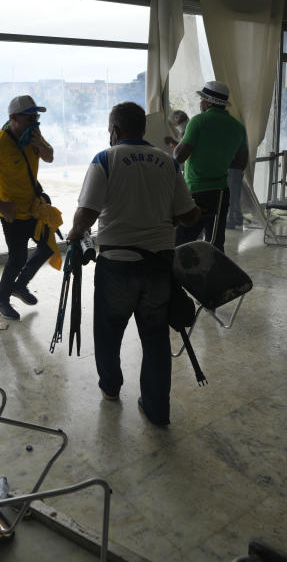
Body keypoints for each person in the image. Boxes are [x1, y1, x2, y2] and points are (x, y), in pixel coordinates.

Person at [67, 102, 200, 427]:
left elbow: (86, 215)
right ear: (141, 129)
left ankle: (111, 389)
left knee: (108, 334)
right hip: (158, 269)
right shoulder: (168, 163)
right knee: (155, 340)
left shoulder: (105, 159)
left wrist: (73, 234)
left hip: (117, 268)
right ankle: (156, 410)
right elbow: (189, 215)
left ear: (114, 130)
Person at [0, 95, 61, 321]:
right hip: (11, 212)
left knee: (47, 248)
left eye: (36, 117)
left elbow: (49, 157)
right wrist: (0, 204)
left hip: (34, 208)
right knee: (17, 257)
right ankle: (1, 299)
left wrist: (39, 143)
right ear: (13, 118)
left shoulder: (33, 137)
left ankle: (19, 286)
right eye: (29, 117)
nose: (34, 121)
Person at [172, 81, 248, 252]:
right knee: (215, 241)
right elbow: (241, 164)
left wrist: (182, 139)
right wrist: (219, 159)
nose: (200, 103)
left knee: (183, 240)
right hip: (221, 193)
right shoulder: (238, 127)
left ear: (209, 102)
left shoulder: (198, 122)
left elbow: (179, 156)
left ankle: (182, 277)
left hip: (196, 192)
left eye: (202, 99)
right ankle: (213, 275)